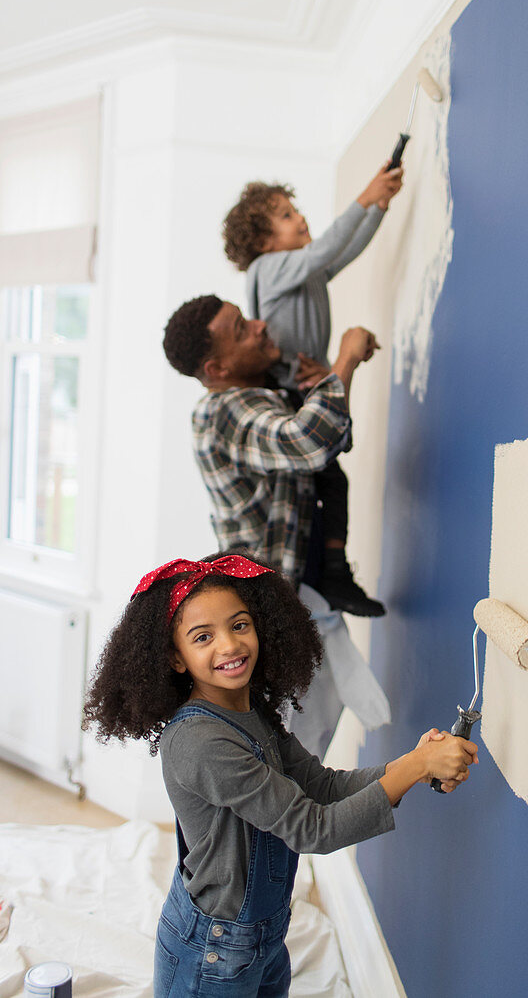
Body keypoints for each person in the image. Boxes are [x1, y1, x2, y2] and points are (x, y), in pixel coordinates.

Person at [83, 554, 478, 998]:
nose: (229, 646)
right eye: (202, 637)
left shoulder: (255, 715)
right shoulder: (199, 742)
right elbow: (313, 829)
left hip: (265, 937)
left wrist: (414, 765)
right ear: (176, 658)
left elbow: (324, 787)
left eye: (239, 625)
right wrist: (413, 768)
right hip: (215, 951)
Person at [162, 297, 389, 756]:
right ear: (218, 367)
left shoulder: (259, 396)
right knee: (286, 760)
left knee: (310, 744)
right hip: (269, 613)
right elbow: (309, 442)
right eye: (242, 329)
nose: (261, 326)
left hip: (298, 601)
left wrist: (319, 383)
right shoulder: (221, 411)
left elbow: (331, 440)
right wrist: (345, 359)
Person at [221, 164, 403, 617]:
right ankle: (329, 573)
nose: (299, 218)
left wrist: (378, 207)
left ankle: (334, 570)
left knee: (331, 479)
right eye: (285, 215)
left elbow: (342, 252)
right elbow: (325, 250)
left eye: (294, 210)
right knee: (323, 478)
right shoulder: (269, 269)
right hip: (286, 391)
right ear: (262, 243)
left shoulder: (303, 268)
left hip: (304, 382)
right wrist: (365, 195)